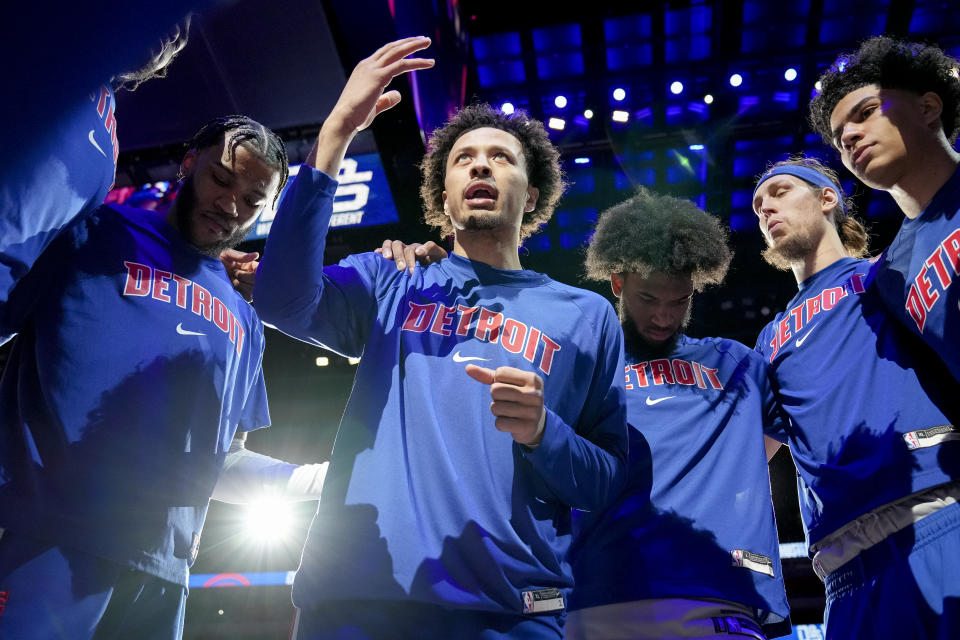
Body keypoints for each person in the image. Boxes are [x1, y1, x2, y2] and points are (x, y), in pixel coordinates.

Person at [252, 37, 628, 639]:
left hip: (511, 615)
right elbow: (279, 300)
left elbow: (606, 479)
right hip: (356, 603)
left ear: (531, 196)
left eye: (501, 158)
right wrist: (337, 133)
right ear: (442, 198)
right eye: (464, 159)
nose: (481, 165)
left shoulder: (586, 315)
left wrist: (543, 432)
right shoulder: (392, 278)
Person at [0, 114, 327, 639]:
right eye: (222, 179)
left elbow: (221, 462)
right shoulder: (91, 233)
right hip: (45, 542)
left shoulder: (245, 318)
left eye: (252, 198)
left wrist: (323, 479)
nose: (230, 205)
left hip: (165, 574)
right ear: (189, 163)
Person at [562, 188, 790, 639]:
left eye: (679, 301)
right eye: (648, 298)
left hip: (720, 594)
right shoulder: (580, 366)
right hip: (599, 595)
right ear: (617, 282)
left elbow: (775, 442)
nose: (664, 316)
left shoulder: (736, 363)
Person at [752, 156, 960, 639]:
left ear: (828, 199)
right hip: (842, 571)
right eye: (759, 205)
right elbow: (748, 454)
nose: (766, 209)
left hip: (935, 517)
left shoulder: (887, 271)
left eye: (780, 192)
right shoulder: (770, 338)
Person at [0, 16, 194, 327]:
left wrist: (190, 255)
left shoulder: (110, 152)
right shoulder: (54, 33)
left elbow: (57, 252)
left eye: (179, 39)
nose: (173, 31)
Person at [809, 35, 960, 384]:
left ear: (927, 108)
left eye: (866, 112)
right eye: (839, 138)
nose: (848, 137)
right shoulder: (890, 275)